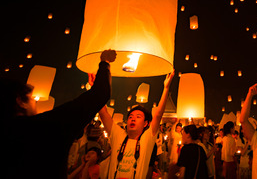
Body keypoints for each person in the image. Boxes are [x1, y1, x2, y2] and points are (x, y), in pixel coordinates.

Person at [0, 49, 116, 178]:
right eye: (31, 97)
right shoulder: (43, 127)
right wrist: (104, 62)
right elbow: (100, 94)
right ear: (20, 101)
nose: (35, 101)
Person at [99, 70, 174, 179]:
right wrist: (97, 87)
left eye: (138, 117)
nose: (133, 119)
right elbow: (103, 113)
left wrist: (166, 88)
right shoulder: (118, 135)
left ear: (145, 124)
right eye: (130, 117)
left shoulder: (146, 139)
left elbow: (158, 115)